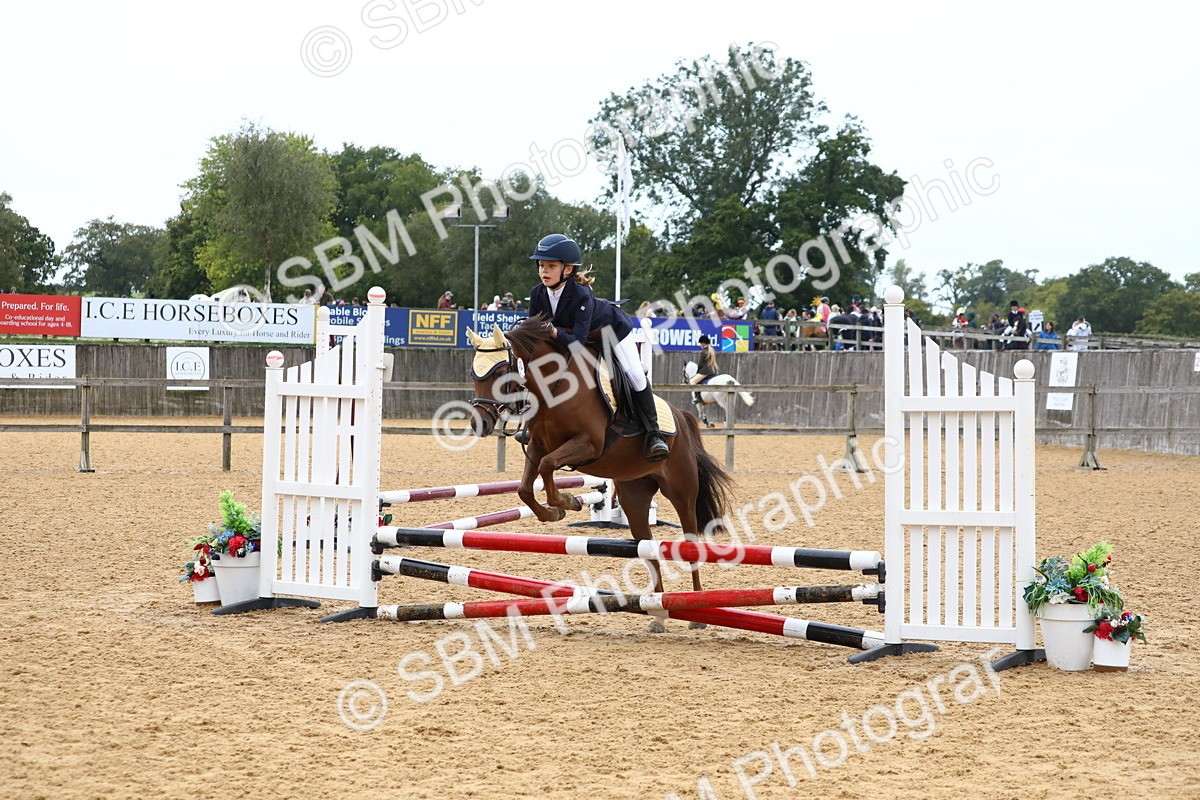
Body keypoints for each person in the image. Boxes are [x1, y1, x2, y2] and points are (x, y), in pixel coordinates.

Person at [526, 233, 670, 461]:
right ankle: (532, 421)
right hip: (573, 336)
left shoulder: (581, 294)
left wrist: (552, 331)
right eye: (541, 265)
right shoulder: (537, 293)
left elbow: (577, 343)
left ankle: (654, 433)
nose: (544, 270)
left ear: (568, 270)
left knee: (634, 375)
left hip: (612, 330)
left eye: (551, 266)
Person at [690, 334, 720, 406]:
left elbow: (701, 364)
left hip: (705, 371)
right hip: (713, 371)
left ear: (703, 343)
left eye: (700, 343)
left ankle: (698, 397)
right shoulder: (712, 350)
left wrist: (698, 372)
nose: (700, 345)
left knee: (693, 382)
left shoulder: (703, 352)